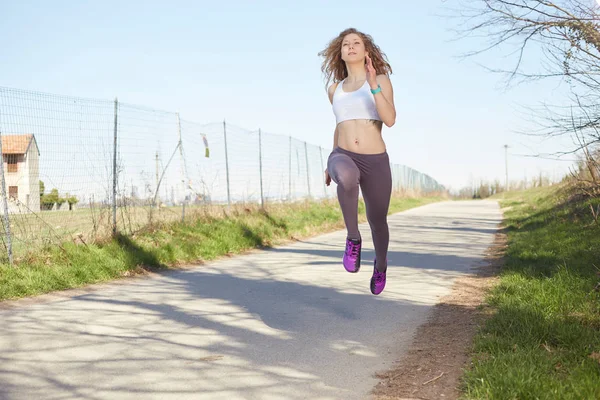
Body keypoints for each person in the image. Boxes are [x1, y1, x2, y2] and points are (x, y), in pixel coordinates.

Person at [318, 28, 396, 295]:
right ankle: (353, 238)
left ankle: (381, 265)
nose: (350, 46)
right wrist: (331, 161)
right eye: (346, 44)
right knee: (347, 177)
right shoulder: (334, 89)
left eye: (357, 43)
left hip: (375, 160)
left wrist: (373, 84)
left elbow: (390, 119)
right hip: (343, 154)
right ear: (340, 53)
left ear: (366, 51)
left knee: (378, 219)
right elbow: (339, 125)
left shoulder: (381, 80)